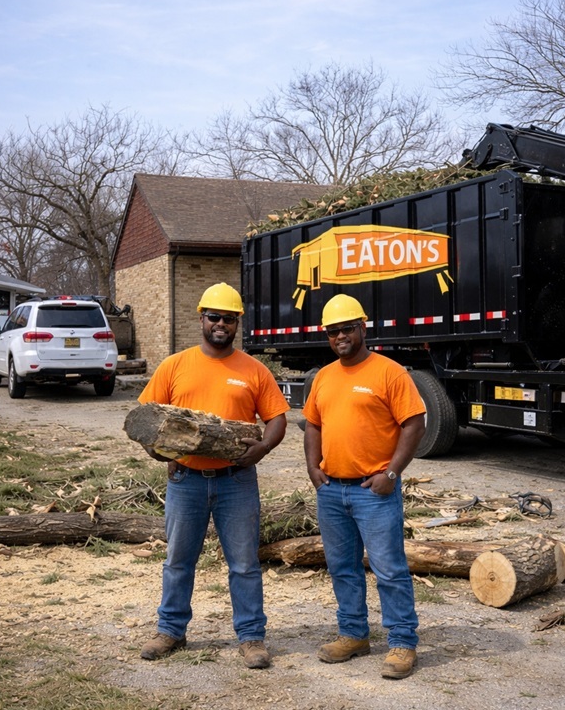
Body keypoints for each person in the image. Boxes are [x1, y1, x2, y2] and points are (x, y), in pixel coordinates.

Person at [138, 282, 289, 669]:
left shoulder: (254, 370)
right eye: (214, 317)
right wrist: (158, 450)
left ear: (238, 323)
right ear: (201, 318)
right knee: (177, 560)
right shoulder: (174, 365)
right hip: (185, 480)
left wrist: (263, 448)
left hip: (236, 481)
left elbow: (276, 419)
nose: (221, 324)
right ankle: (170, 630)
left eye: (229, 318)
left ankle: (252, 637)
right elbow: (148, 419)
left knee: (243, 563)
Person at [302, 294, 425, 680]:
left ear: (362, 328)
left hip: (374, 491)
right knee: (342, 568)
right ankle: (353, 634)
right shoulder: (324, 376)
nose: (340, 336)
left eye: (346, 328)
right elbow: (313, 425)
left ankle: (403, 643)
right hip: (332, 490)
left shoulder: (389, 372)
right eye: (333, 331)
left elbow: (415, 422)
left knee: (389, 569)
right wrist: (312, 468)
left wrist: (390, 473)